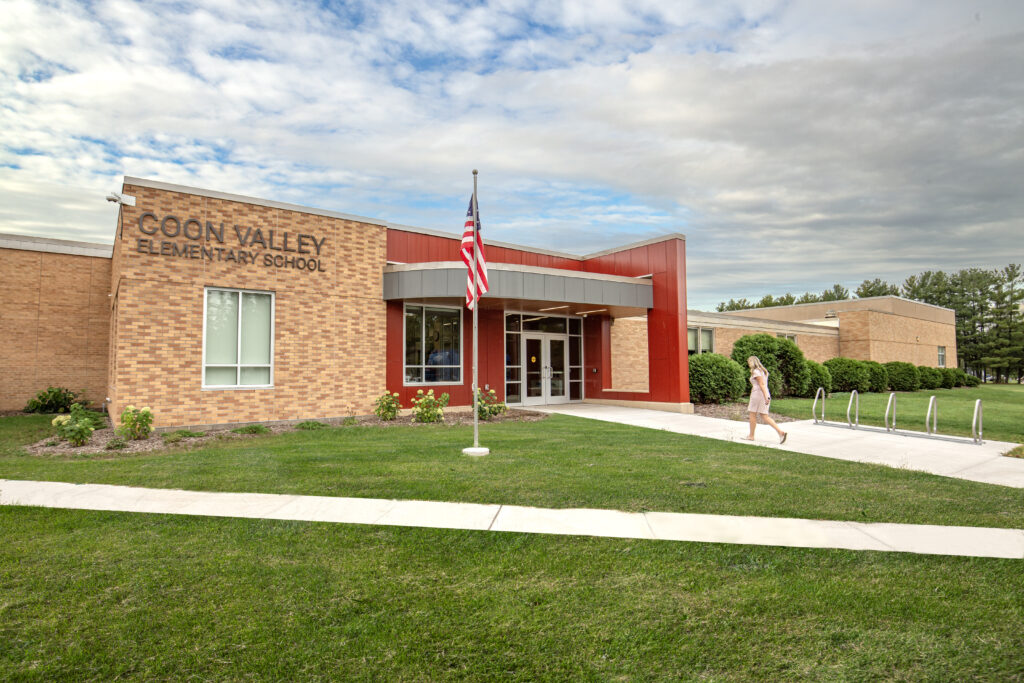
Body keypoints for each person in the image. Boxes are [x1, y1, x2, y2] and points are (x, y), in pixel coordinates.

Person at [743, 356, 787, 443]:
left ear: (752, 362)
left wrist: (766, 396)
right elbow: (763, 384)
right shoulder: (763, 371)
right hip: (763, 394)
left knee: (752, 414)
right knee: (764, 416)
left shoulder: (756, 371)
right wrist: (767, 395)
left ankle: (751, 436)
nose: (748, 364)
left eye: (749, 362)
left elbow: (761, 384)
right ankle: (780, 432)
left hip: (757, 394)